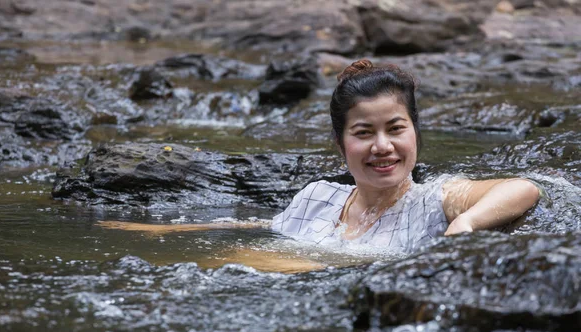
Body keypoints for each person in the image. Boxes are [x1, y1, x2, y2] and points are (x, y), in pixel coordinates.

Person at [99, 59, 540, 266]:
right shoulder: (318, 195)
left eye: (396, 128)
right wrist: (167, 230)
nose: (382, 146)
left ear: (416, 133)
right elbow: (271, 226)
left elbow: (523, 188)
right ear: (341, 142)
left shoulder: (436, 200)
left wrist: (463, 225)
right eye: (363, 133)